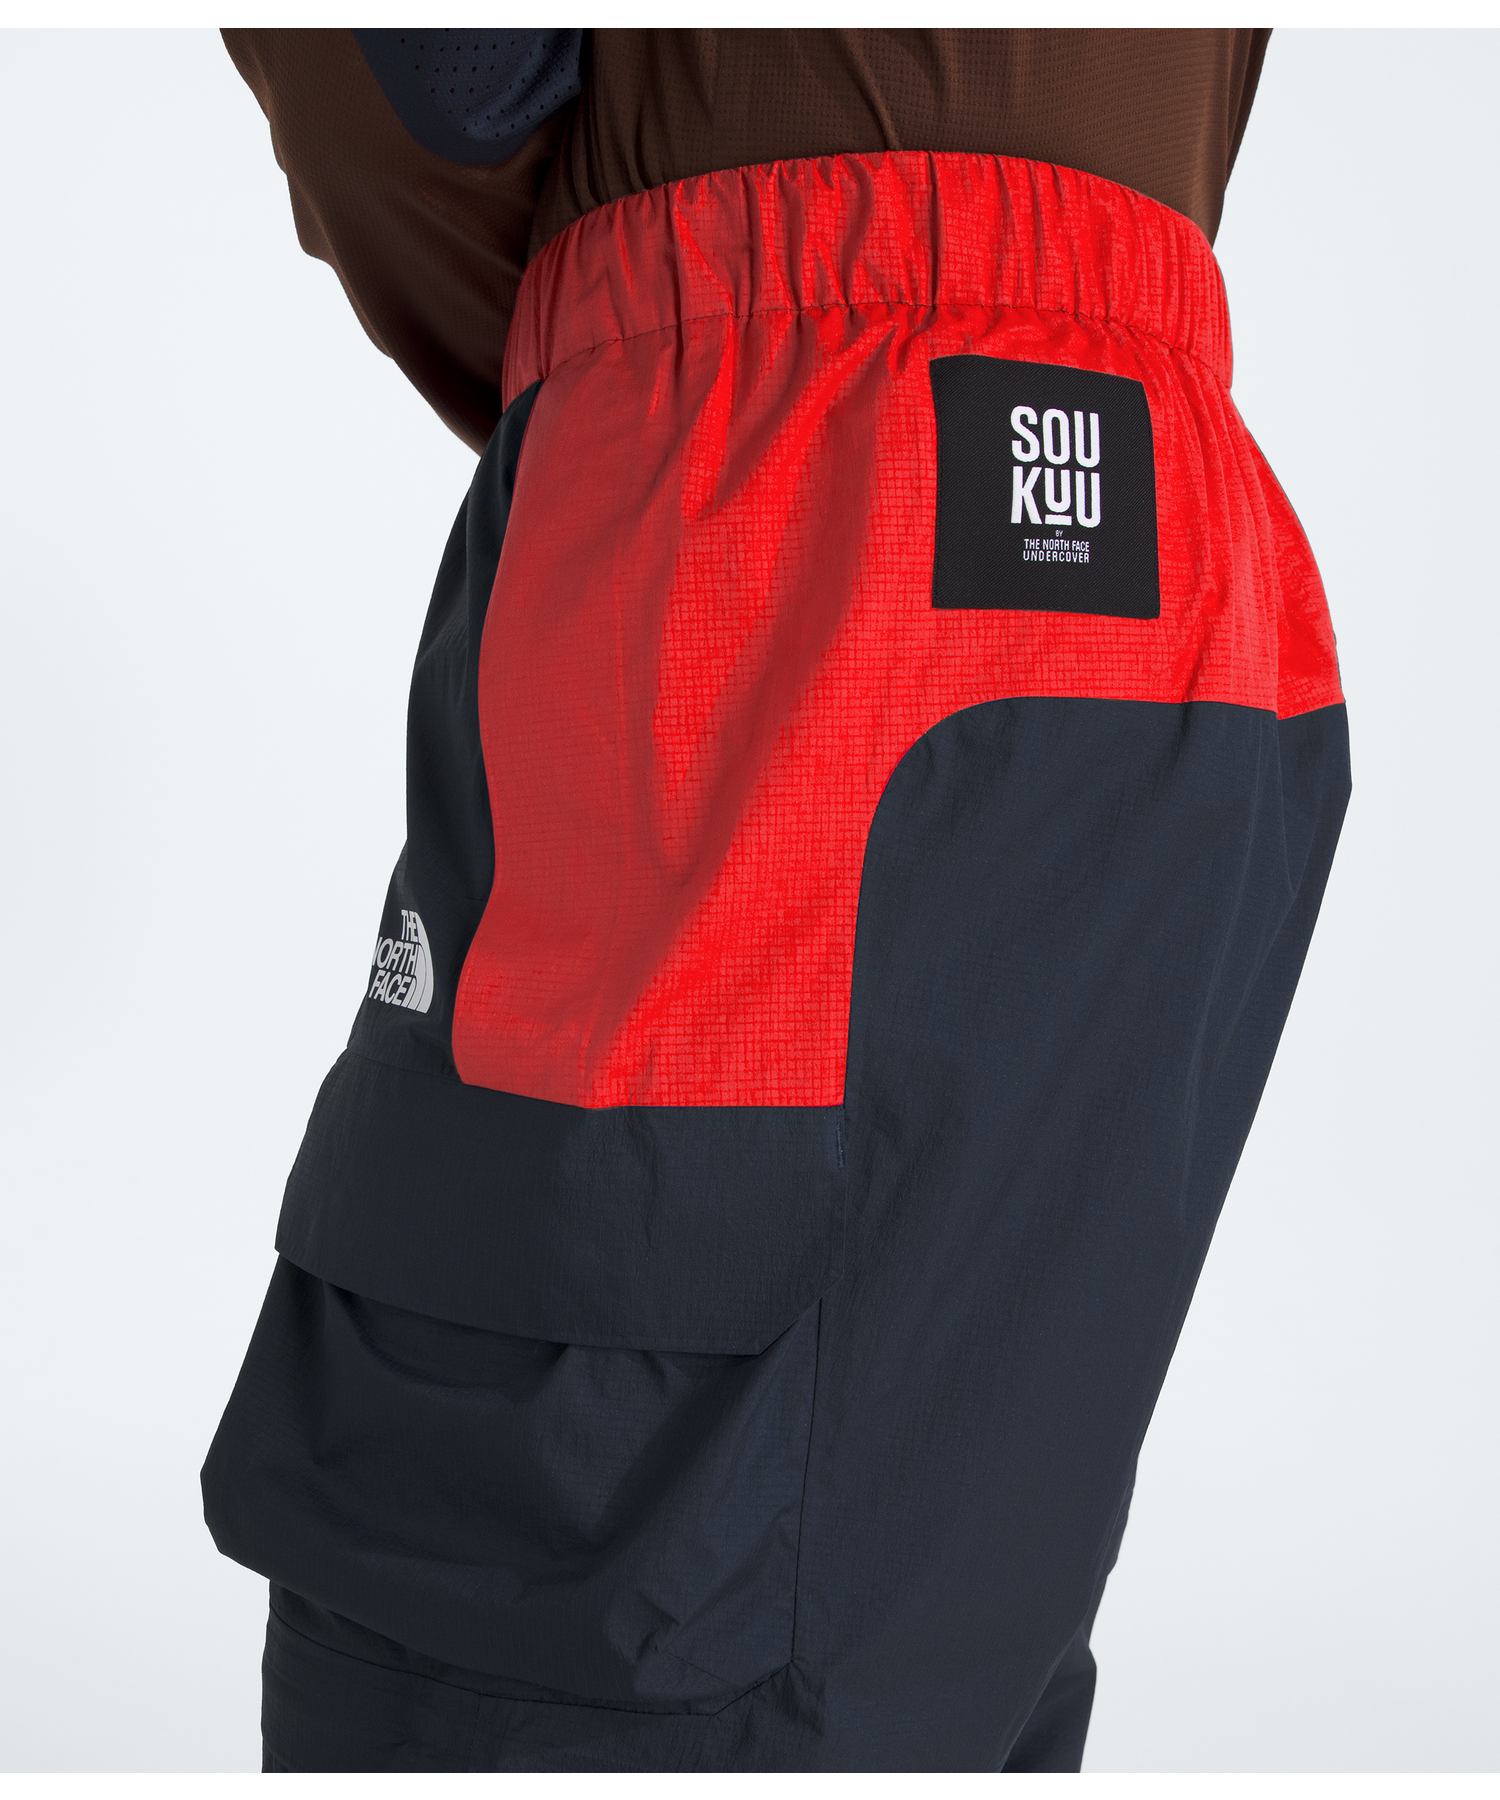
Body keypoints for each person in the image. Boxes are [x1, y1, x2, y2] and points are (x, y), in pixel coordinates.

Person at [202, 29, 1349, 1772]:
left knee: (561, 1602)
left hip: (780, 453)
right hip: (1176, 515)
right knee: (926, 1594)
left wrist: (593, 339)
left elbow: (419, 71)